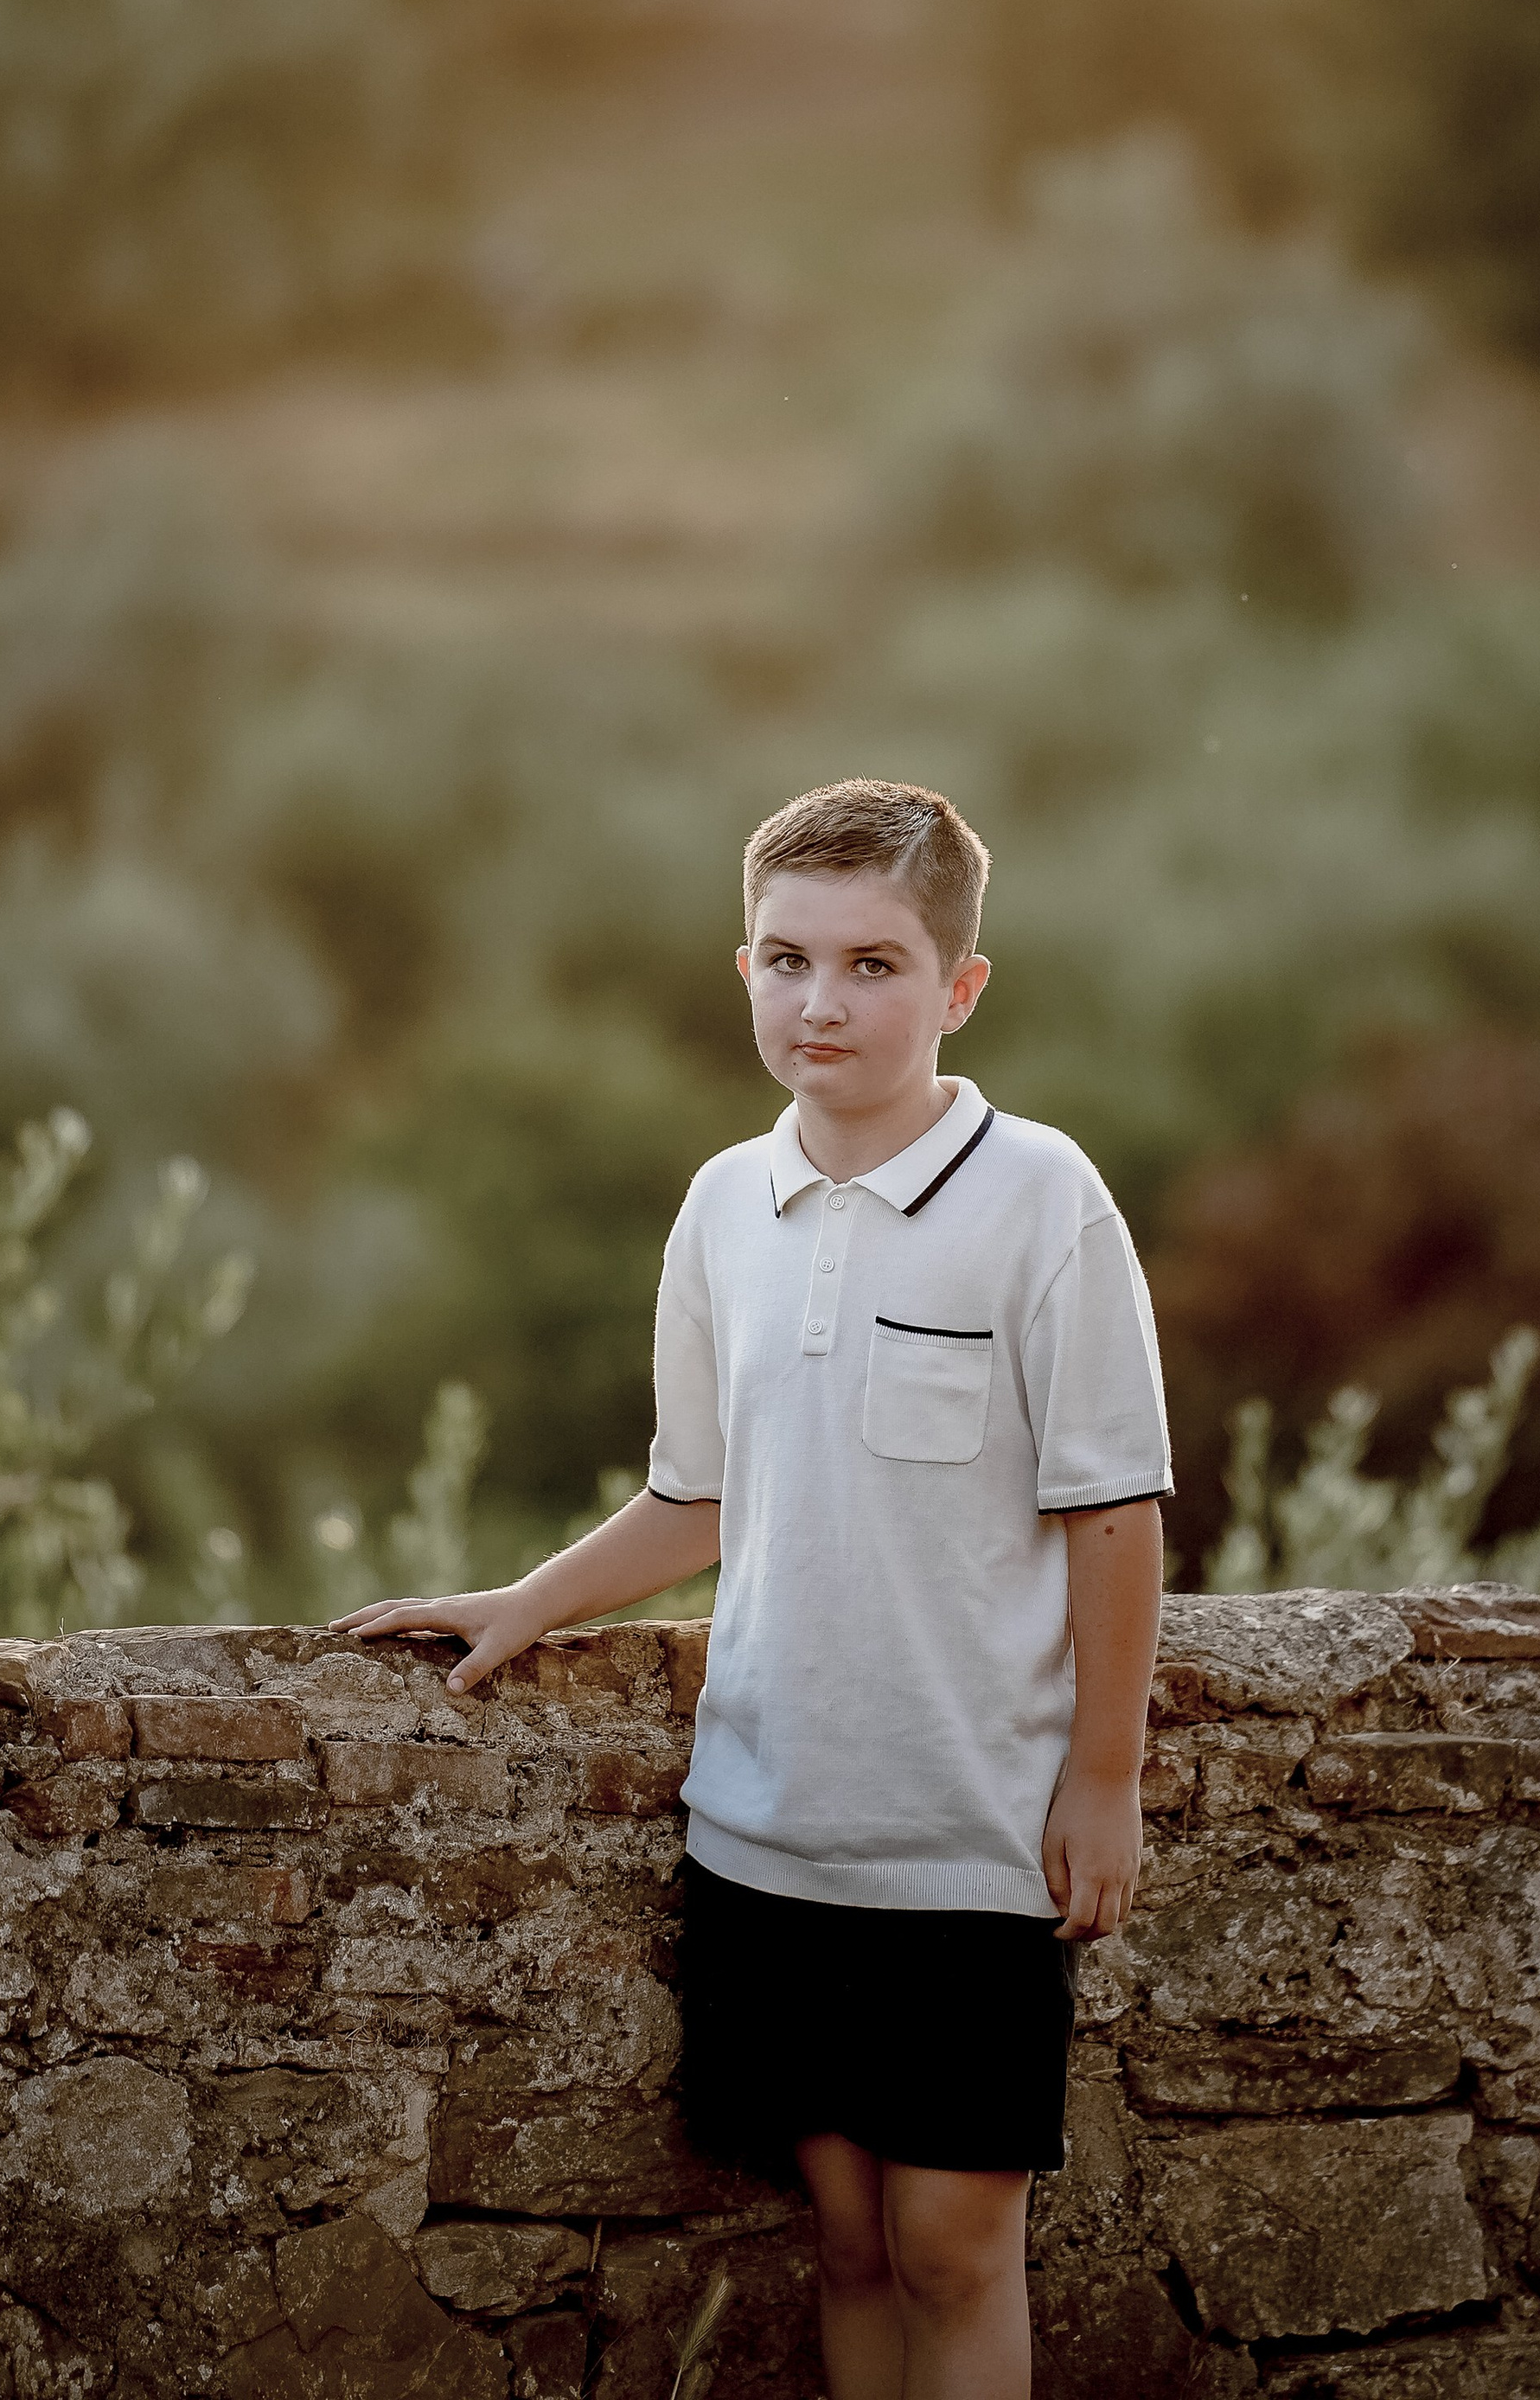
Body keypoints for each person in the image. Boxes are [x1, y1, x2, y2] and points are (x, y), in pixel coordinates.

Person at [339, 777, 1171, 2400]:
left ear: (959, 988)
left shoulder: (1043, 1198)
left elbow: (1116, 1513)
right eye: (788, 960)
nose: (822, 1002)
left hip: (972, 1844)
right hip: (765, 1834)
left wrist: (1106, 1777)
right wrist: (527, 1602)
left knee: (953, 2251)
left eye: (873, 965)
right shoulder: (725, 1203)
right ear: (744, 971)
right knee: (847, 2246)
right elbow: (698, 1495)